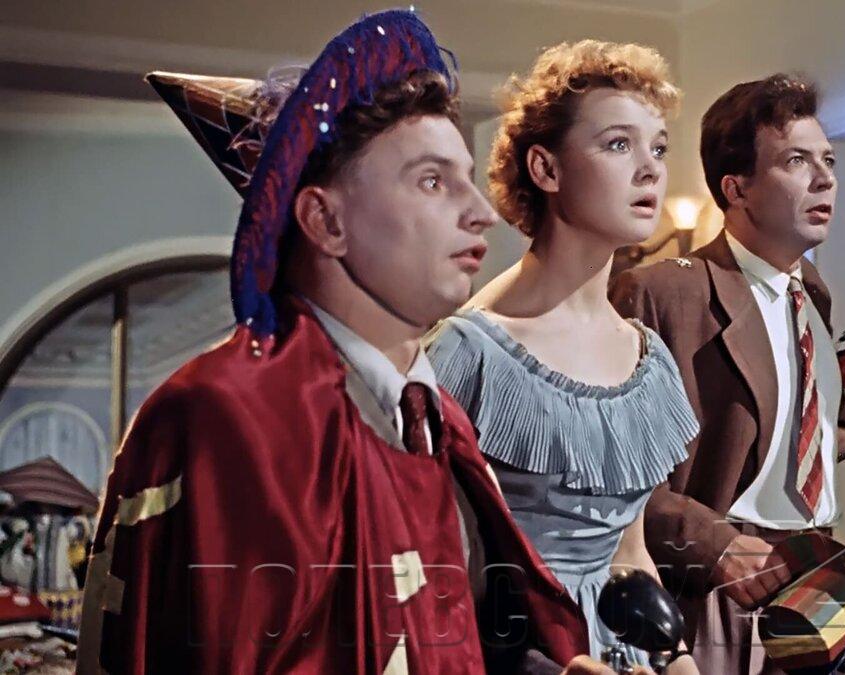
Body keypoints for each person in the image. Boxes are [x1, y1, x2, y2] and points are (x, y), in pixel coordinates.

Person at [75, 10, 600, 674]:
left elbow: (458, 640)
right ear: (326, 221)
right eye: (432, 181)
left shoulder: (443, 426)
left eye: (467, 179)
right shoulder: (231, 414)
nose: (481, 212)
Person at [426, 40, 699, 674]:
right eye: (618, 144)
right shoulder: (468, 353)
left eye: (658, 148)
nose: (651, 171)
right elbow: (437, 569)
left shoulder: (646, 358)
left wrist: (678, 658)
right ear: (546, 169)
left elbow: (628, 553)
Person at [609, 73, 845, 674]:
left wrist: (826, 436)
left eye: (828, 160)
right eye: (796, 161)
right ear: (736, 187)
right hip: (714, 588)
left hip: (815, 575)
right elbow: (609, 477)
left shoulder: (813, 292)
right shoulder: (663, 291)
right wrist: (712, 543)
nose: (824, 178)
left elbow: (819, 422)